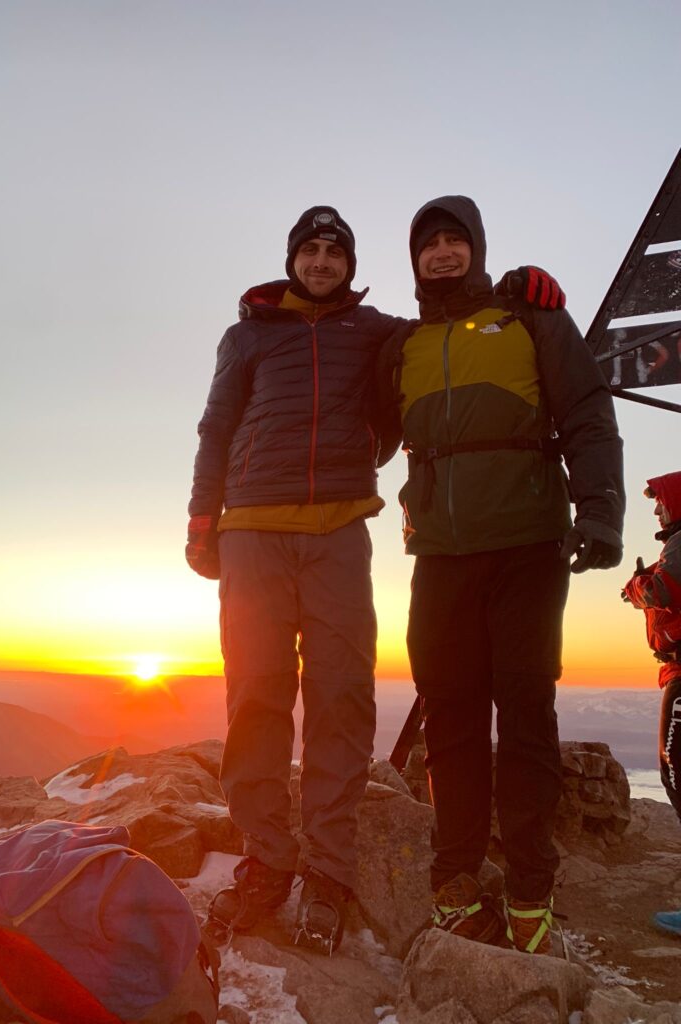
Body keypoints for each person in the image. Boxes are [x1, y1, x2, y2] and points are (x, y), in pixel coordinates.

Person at [186, 204, 564, 954]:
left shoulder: (380, 332)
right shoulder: (248, 334)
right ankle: (266, 857)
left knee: (341, 697)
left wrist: (522, 290)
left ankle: (328, 870)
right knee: (256, 695)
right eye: (312, 251)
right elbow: (216, 428)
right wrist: (202, 521)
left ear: (351, 268)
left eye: (336, 253)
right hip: (254, 532)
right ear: (294, 258)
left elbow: (447, 326)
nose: (323, 263)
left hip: (338, 532)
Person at [377, 195, 625, 955]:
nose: (444, 253)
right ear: (414, 259)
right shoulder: (402, 344)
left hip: (527, 547)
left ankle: (528, 885)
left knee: (523, 715)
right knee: (449, 718)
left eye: (457, 241)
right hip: (441, 556)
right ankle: (454, 877)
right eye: (431, 244)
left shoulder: (530, 316)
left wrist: (603, 509)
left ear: (477, 250)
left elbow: (585, 409)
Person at [621, 471, 681, 937]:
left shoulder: (679, 545)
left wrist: (638, 586)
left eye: (660, 501)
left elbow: (663, 591)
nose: (657, 510)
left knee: (675, 772)